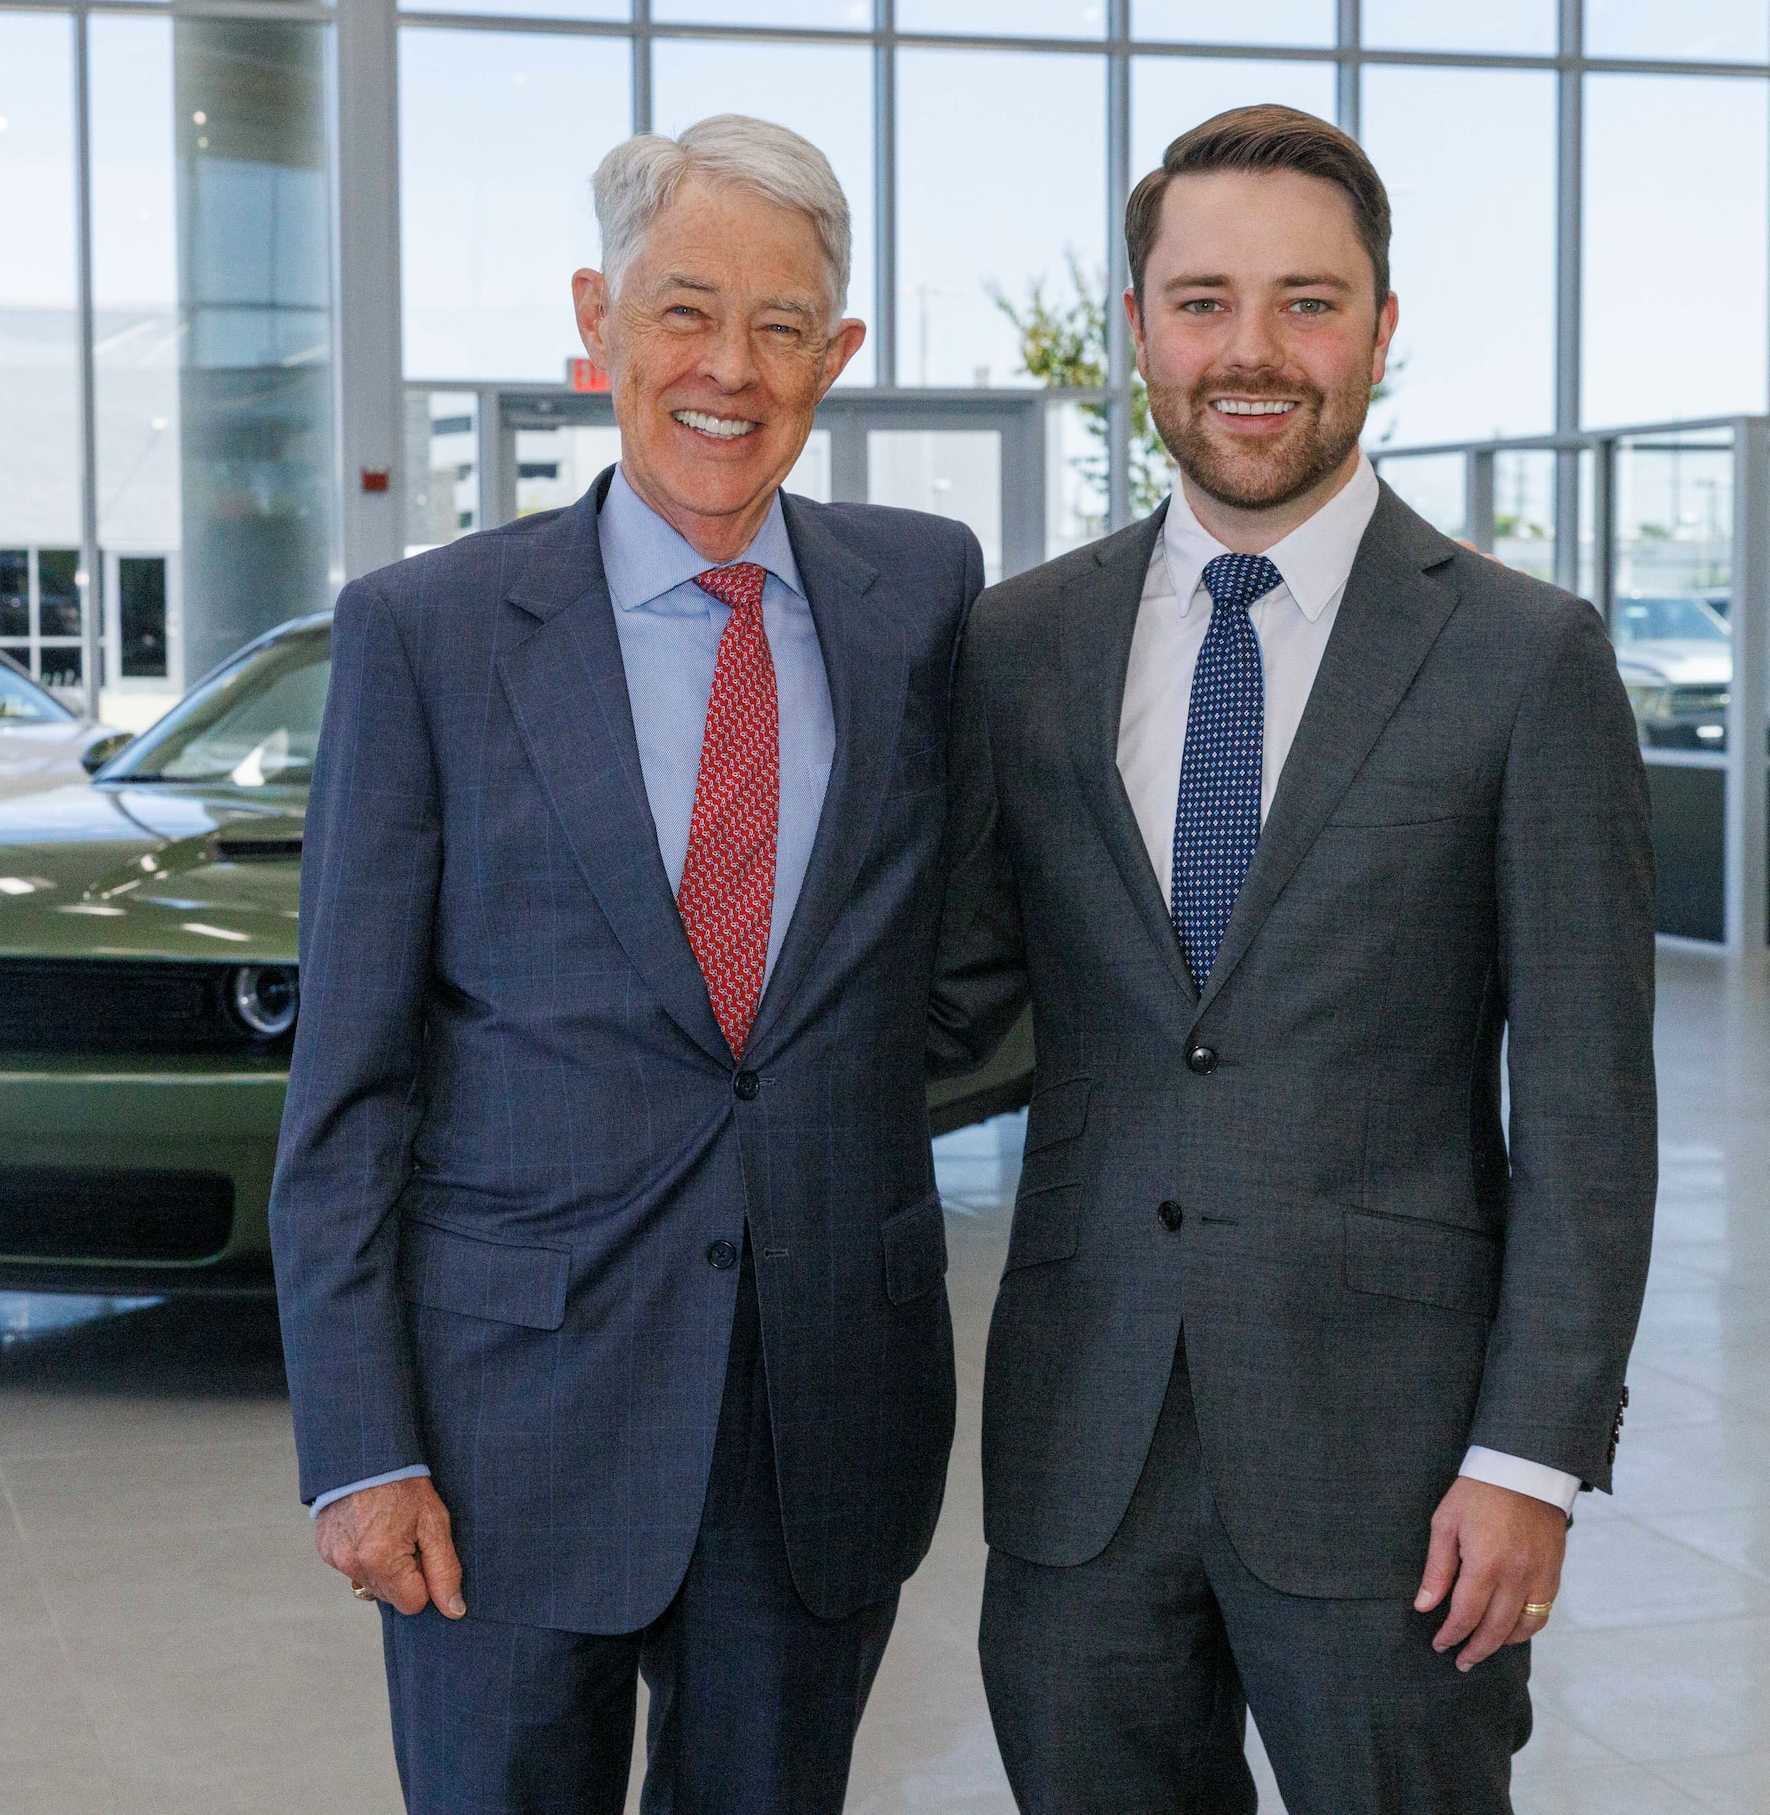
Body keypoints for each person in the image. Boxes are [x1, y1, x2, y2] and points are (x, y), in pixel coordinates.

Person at [932, 104, 1658, 1814]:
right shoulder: (1021, 646)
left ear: (1383, 329)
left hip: (1398, 1474)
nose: (1251, 351)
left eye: (1307, 301)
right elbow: (951, 1009)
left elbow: (1587, 1110)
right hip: (1080, 1457)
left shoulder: (1523, 658)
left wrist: (1529, 1457)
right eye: (1202, 301)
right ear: (1139, 330)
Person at [272, 114, 983, 1815]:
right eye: (682, 310)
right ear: (594, 322)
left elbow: (962, 960)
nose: (729, 369)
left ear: (842, 355)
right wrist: (362, 1447)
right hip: (505, 1425)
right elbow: (348, 1086)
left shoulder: (926, 598)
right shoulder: (426, 633)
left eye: (782, 324)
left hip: (819, 1416)